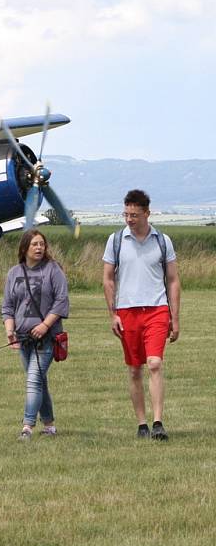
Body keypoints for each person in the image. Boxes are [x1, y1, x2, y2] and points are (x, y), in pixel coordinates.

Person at [103, 189, 180, 441]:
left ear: (147, 213)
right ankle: (142, 424)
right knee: (135, 369)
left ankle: (158, 422)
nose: (129, 219)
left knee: (155, 363)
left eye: (134, 215)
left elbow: (173, 279)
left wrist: (174, 317)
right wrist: (112, 313)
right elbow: (107, 279)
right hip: (127, 312)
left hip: (157, 309)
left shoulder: (162, 240)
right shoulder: (115, 241)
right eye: (126, 214)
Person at [2, 229, 70, 441]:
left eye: (42, 244)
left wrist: (45, 325)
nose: (39, 248)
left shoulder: (53, 270)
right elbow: (8, 306)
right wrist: (10, 331)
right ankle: (49, 425)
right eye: (35, 244)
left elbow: (61, 301)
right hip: (23, 338)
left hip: (46, 338)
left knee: (33, 381)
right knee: (39, 381)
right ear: (24, 248)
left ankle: (27, 427)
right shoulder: (14, 273)